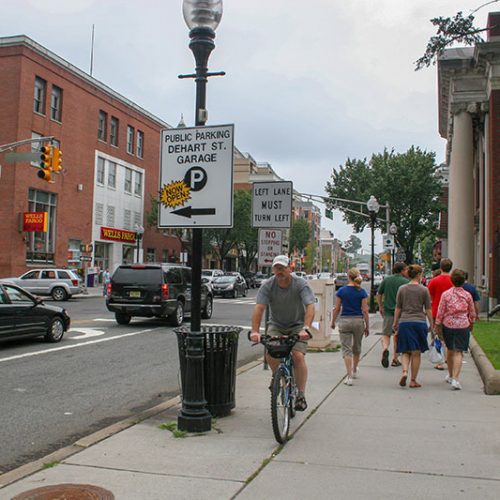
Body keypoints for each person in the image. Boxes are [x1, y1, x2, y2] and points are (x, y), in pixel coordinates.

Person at [250, 255, 315, 411]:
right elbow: (259, 308)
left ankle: (300, 394)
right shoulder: (268, 285)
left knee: (298, 356)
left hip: (297, 325)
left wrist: (306, 328)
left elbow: (310, 306)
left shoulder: (300, 284)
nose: (279, 271)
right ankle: (277, 376)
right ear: (273, 269)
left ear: (289, 269)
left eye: (282, 268)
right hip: (276, 325)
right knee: (271, 354)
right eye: (276, 268)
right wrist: (255, 331)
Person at [435, 269, 476, 390]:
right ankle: (456, 379)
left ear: (452, 281)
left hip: (448, 325)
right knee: (459, 352)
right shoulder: (467, 295)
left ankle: (450, 375)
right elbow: (472, 312)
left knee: (450, 349)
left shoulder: (446, 294)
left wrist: (437, 324)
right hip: (463, 325)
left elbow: (441, 310)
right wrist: (471, 322)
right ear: (463, 281)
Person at [393, 264, 433, 388]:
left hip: (405, 322)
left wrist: (395, 322)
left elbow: (398, 307)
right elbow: (428, 308)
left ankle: (404, 371)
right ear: (419, 275)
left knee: (405, 350)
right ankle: (413, 380)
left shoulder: (402, 289)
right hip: (419, 322)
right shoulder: (424, 290)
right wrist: (431, 324)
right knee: (416, 353)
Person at [331, 268, 369, 386]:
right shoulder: (361, 291)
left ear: (348, 277)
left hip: (345, 320)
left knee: (347, 349)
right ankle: (354, 369)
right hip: (358, 321)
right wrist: (367, 326)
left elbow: (337, 308)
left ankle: (349, 376)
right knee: (356, 347)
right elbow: (365, 311)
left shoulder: (342, 291)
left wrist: (333, 322)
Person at [376, 262, 409, 368]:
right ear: (402, 270)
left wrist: (380, 306)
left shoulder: (387, 280)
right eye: (406, 270)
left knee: (386, 334)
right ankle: (395, 358)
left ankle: (385, 349)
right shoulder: (406, 282)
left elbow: (379, 294)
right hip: (401, 313)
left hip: (388, 311)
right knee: (397, 335)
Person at [427, 258, 453, 370]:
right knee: (449, 338)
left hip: (436, 311)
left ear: (440, 267)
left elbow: (428, 297)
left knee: (438, 337)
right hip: (451, 312)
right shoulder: (454, 280)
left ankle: (441, 361)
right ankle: (449, 358)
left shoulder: (434, 281)